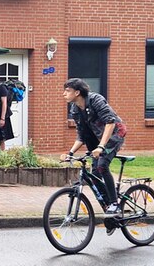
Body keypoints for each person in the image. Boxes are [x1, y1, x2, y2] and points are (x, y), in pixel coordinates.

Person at [63, 78, 127, 232]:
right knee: (94, 173)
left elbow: (110, 122)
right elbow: (81, 134)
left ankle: (114, 204)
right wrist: (70, 152)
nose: (64, 94)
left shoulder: (96, 100)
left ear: (77, 92)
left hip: (114, 135)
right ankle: (110, 212)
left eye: (67, 91)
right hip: (95, 140)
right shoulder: (75, 109)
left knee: (102, 165)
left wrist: (101, 146)